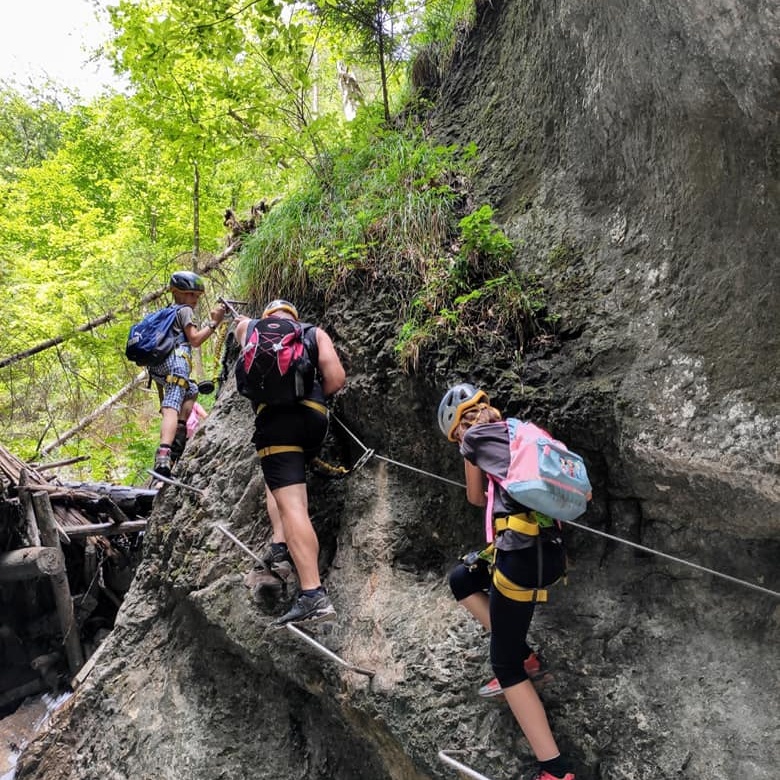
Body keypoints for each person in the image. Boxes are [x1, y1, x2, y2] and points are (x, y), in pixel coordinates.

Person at [438, 383, 576, 780]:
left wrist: (466, 448)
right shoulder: (522, 431)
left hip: (520, 558)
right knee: (463, 578)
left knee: (504, 663)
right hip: (543, 549)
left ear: (457, 428)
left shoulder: (476, 438)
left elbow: (475, 497)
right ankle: (525, 654)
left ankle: (555, 770)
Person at [234, 299, 346, 627]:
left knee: (292, 502)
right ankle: (281, 549)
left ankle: (312, 593)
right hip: (314, 419)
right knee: (286, 485)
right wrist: (311, 398)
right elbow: (336, 378)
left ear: (268, 318)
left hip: (276, 424)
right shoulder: (313, 333)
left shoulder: (248, 328)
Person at [149, 271, 225, 477]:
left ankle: (180, 432)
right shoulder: (184, 311)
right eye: (192, 295)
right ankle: (164, 453)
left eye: (197, 296)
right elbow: (195, 340)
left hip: (158, 368)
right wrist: (215, 322)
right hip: (177, 363)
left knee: (191, 390)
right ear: (179, 293)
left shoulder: (167, 312)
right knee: (172, 404)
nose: (195, 300)